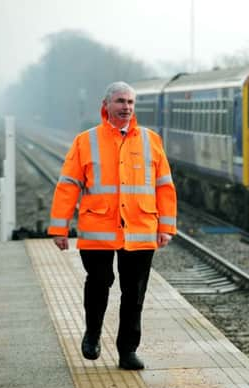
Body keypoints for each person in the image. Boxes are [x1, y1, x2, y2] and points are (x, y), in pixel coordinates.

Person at [48, 81, 177, 370]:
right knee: (99, 283)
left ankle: (127, 351)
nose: (126, 107)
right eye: (120, 101)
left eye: (130, 102)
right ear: (105, 106)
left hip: (140, 230)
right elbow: (68, 185)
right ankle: (93, 333)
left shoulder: (150, 140)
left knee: (135, 293)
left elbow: (164, 186)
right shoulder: (86, 141)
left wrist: (166, 227)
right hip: (98, 230)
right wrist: (59, 228)